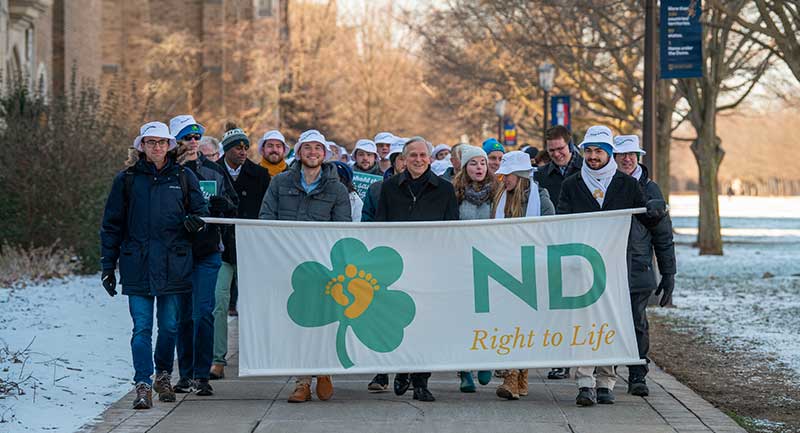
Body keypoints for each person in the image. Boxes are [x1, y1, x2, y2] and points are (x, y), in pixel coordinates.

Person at [556, 125, 667, 407]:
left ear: (609, 154)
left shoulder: (627, 185)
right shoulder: (571, 183)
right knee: (584, 323)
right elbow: (561, 222)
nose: (593, 156)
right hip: (583, 267)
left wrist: (655, 209)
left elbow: (646, 218)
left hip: (618, 265)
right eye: (589, 151)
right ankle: (584, 381)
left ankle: (606, 381)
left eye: (599, 151)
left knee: (610, 322)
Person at [100, 121, 208, 409]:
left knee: (170, 326)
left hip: (175, 262)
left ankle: (162, 373)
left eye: (162, 142)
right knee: (142, 328)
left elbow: (201, 213)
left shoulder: (184, 177)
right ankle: (143, 384)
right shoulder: (127, 180)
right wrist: (107, 265)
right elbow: (111, 225)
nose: (157, 147)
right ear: (142, 146)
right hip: (138, 262)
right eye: (151, 142)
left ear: (170, 146)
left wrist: (194, 223)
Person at [260, 129, 351, 403]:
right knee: (296, 322)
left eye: (318, 149)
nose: (312, 153)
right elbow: (265, 217)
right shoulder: (280, 183)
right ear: (298, 152)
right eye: (307, 148)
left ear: (325, 155)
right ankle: (302, 382)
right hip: (288, 264)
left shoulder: (336, 188)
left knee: (323, 322)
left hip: (323, 267)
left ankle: (323, 370)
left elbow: (342, 228)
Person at [375, 136, 459, 402]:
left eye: (423, 155)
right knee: (399, 322)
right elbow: (380, 227)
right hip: (397, 266)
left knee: (426, 324)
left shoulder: (444, 189)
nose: (419, 160)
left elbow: (452, 229)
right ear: (404, 159)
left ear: (430, 159)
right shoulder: (388, 188)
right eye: (413, 155)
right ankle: (402, 370)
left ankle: (421, 380)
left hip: (431, 266)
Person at [168, 115, 238, 397]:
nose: (194, 142)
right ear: (175, 142)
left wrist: (222, 207)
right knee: (182, 316)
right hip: (177, 251)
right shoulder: (167, 172)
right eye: (187, 137)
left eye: (197, 137)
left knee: (203, 313)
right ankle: (184, 375)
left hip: (208, 251)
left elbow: (233, 206)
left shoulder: (214, 171)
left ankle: (201, 374)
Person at [613, 135, 676, 397]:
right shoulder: (606, 186)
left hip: (637, 267)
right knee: (608, 320)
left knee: (637, 322)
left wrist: (669, 272)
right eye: (622, 154)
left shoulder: (651, 189)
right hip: (606, 266)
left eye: (632, 154)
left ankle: (638, 373)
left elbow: (663, 236)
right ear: (613, 157)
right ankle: (605, 375)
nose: (628, 159)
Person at [490, 151, 555, 400]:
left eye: (507, 175)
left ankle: (519, 374)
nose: (503, 179)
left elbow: (550, 230)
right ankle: (512, 376)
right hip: (504, 267)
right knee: (507, 323)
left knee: (524, 324)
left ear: (520, 176)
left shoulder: (541, 199)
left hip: (531, 268)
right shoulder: (499, 198)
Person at [210, 123, 271, 380]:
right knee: (219, 302)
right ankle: (217, 359)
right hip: (221, 247)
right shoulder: (211, 173)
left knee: (254, 305)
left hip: (251, 249)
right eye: (237, 147)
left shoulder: (260, 175)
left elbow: (267, 211)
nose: (243, 151)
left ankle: (257, 355)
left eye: (246, 147)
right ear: (226, 150)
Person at [534, 125, 582, 381]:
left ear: (570, 145)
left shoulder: (586, 169)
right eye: (551, 150)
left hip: (582, 241)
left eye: (560, 149)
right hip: (553, 243)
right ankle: (560, 360)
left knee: (580, 304)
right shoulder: (542, 175)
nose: (556, 154)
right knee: (558, 304)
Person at [451, 145, 497, 392]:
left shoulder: (497, 192)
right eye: (473, 163)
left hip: (490, 261)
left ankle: (485, 360)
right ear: (465, 167)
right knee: (465, 316)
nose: (479, 168)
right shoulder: (455, 192)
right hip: (463, 262)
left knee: (487, 315)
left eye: (482, 163)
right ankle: (464, 370)